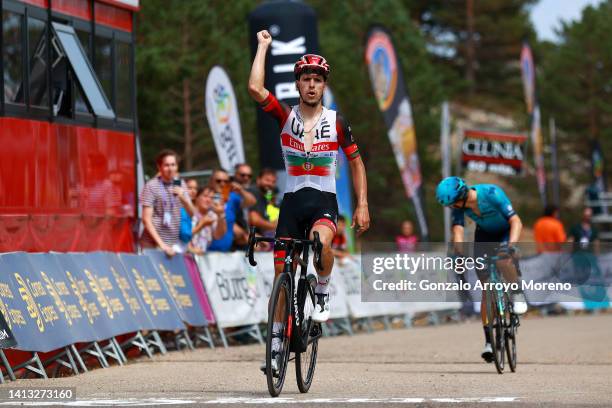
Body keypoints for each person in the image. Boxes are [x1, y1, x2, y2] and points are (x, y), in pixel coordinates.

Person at [249, 30, 370, 373]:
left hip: (324, 202)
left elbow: (357, 163)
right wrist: (263, 47)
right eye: (306, 79)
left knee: (319, 241)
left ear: (323, 85)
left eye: (317, 79)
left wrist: (361, 204)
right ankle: (275, 343)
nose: (312, 85)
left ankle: (322, 291)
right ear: (298, 85)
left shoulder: (337, 123)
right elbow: (256, 90)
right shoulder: (285, 117)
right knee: (279, 279)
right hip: (292, 202)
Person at [436, 176, 527, 363]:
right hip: (484, 236)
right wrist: (460, 253)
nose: (451, 208)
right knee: (486, 289)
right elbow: (458, 232)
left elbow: (516, 222)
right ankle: (489, 342)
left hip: (504, 232)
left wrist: (510, 246)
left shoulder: (492, 193)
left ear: (461, 197)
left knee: (503, 260)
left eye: (452, 204)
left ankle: (517, 293)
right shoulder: (459, 206)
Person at [140, 149, 195, 256]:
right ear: (159, 167)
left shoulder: (180, 183)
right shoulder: (151, 186)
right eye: (166, 165)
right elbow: (146, 219)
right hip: (152, 244)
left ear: (177, 166)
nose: (170, 169)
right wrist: (162, 245)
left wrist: (183, 198)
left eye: (173, 165)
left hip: (172, 244)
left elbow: (191, 213)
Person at [207, 169, 256, 252]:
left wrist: (241, 190)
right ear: (211, 182)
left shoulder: (231, 198)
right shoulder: (204, 198)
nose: (222, 184)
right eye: (218, 181)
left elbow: (252, 201)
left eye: (226, 181)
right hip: (207, 252)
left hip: (226, 252)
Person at [188, 187, 227, 255]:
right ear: (197, 197)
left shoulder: (212, 216)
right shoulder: (189, 212)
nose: (208, 200)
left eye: (211, 198)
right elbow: (183, 235)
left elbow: (218, 235)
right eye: (205, 196)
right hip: (186, 256)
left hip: (201, 258)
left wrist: (220, 215)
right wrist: (202, 224)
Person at [248, 168, 279, 236]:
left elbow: (274, 216)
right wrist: (275, 226)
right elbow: (254, 220)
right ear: (258, 180)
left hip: (262, 236)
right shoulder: (253, 191)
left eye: (273, 182)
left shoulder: (267, 195)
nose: (270, 184)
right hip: (251, 240)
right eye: (267, 180)